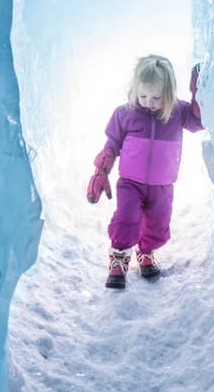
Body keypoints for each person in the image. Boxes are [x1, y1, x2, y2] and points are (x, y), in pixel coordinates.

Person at [87, 54, 204, 289]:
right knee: (126, 219)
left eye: (156, 97)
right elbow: (111, 145)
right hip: (130, 182)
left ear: (169, 93)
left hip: (162, 184)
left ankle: (146, 252)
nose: (149, 102)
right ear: (134, 90)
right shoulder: (125, 113)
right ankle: (118, 258)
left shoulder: (178, 111)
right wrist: (101, 171)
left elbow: (198, 122)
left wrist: (198, 93)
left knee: (158, 226)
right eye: (143, 96)